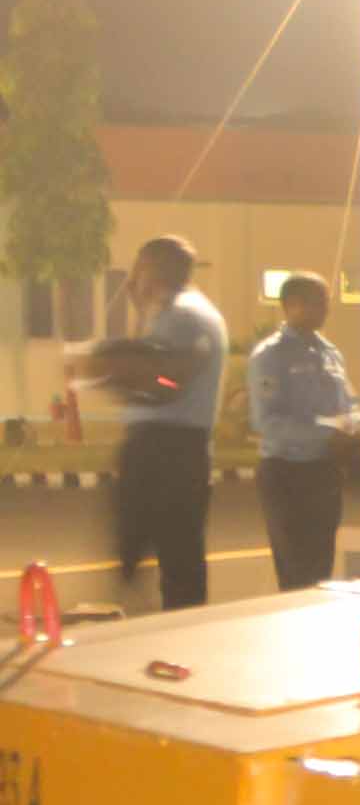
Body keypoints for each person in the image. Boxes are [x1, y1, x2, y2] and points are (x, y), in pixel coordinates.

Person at [82, 233, 228, 612]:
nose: (133, 278)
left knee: (166, 551)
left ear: (154, 268)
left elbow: (166, 380)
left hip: (165, 448)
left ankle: (168, 629)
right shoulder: (182, 312)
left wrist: (110, 373)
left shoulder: (182, 315)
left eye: (138, 267)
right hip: (174, 446)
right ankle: (160, 615)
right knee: (169, 548)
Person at [243, 272, 360, 592]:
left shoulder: (330, 353)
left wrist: (358, 427)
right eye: (317, 301)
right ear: (291, 305)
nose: (325, 308)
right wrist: (327, 435)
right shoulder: (271, 355)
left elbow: (349, 404)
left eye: (326, 301)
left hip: (324, 471)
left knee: (321, 566)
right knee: (295, 569)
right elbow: (266, 421)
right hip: (287, 473)